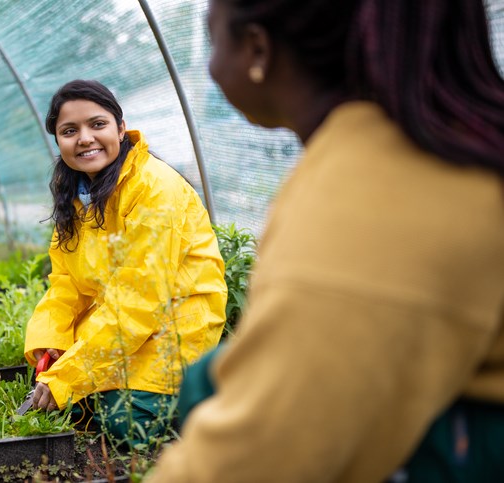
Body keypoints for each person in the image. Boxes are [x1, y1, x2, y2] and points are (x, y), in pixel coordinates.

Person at [148, 0, 504, 481]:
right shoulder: (444, 144)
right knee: (208, 379)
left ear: (257, 48)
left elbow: (253, 458)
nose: (211, 66)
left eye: (214, 40)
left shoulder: (376, 196)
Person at [23, 79, 227, 446]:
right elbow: (65, 283)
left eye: (97, 124)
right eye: (69, 131)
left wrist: (68, 377)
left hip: (174, 333)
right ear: (58, 141)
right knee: (72, 399)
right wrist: (50, 343)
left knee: (121, 423)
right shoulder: (78, 197)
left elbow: (139, 299)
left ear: (120, 128)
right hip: (126, 332)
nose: (84, 138)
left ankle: (201, 395)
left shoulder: (154, 189)